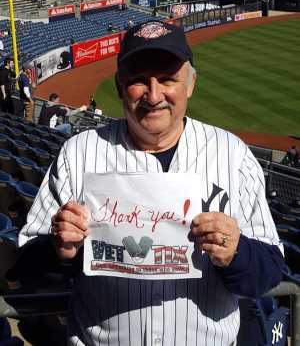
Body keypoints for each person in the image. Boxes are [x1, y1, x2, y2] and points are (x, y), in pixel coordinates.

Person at [19, 21, 284, 346]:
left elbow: (269, 269)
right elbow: (27, 269)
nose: (154, 94)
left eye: (168, 79)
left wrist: (237, 252)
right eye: (139, 80)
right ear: (119, 86)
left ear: (190, 84)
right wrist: (58, 252)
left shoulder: (233, 155)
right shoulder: (78, 154)